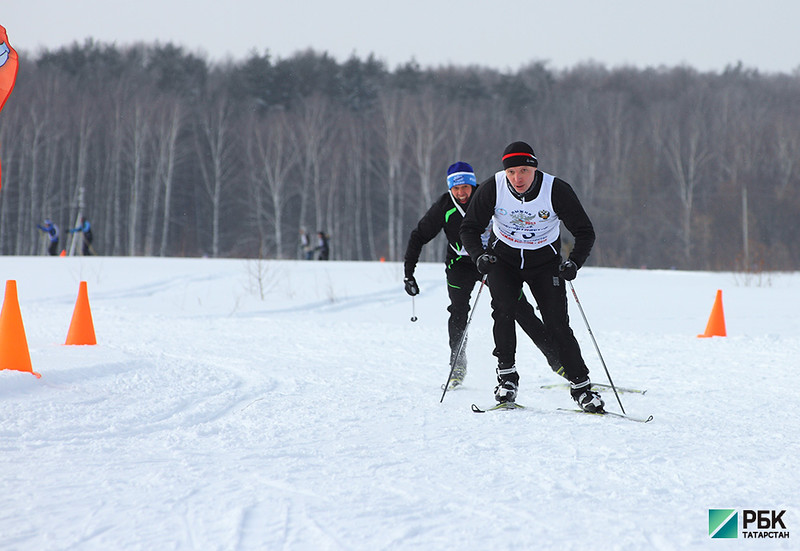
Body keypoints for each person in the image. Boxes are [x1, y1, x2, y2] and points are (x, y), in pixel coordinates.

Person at [460, 141, 604, 412]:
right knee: (503, 311)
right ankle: (507, 378)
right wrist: (479, 255)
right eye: (512, 172)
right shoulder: (494, 187)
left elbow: (585, 231)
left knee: (557, 323)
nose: (518, 178)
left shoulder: (556, 189)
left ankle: (582, 387)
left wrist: (574, 263)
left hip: (544, 262)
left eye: (524, 170)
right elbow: (469, 228)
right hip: (503, 260)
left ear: (535, 169)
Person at [404, 161, 561, 390]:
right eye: (456, 189)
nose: (461, 193)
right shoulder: (444, 205)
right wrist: (409, 273)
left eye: (465, 187)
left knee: (519, 308)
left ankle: (557, 360)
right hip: (459, 264)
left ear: (473, 184)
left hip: (492, 261)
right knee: (458, 311)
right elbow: (418, 236)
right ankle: (457, 364)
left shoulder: (487, 196)